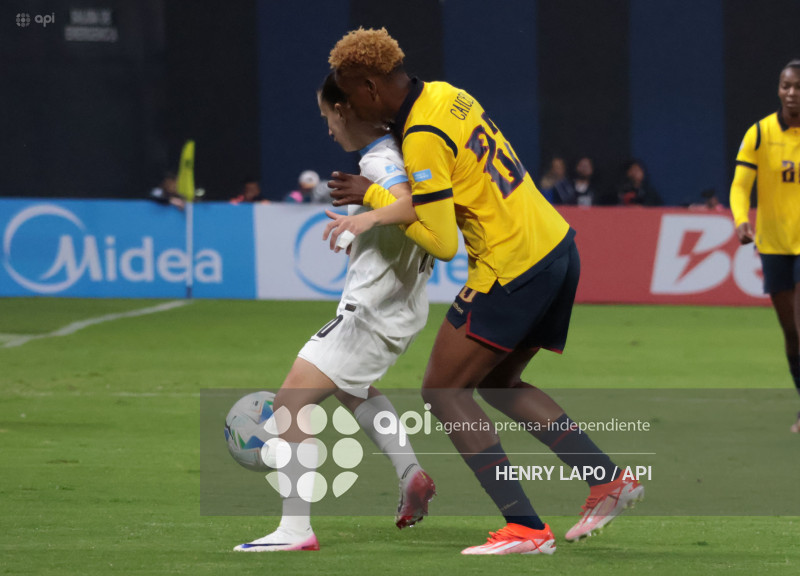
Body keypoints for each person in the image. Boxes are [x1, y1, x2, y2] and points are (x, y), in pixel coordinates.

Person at [323, 28, 643, 556]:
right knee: (498, 382)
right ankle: (608, 480)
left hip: (512, 265)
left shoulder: (421, 133)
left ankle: (525, 527)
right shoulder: (449, 94)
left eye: (349, 94)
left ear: (371, 87)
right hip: (557, 247)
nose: (347, 106)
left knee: (442, 392)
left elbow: (443, 242)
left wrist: (373, 199)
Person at [234, 72, 436, 552]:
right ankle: (410, 473)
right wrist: (360, 231)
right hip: (400, 306)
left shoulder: (380, 159)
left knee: (289, 405)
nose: (328, 129)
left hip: (370, 311)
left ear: (346, 110)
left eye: (328, 117)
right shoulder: (405, 153)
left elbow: (411, 207)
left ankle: (295, 529)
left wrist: (365, 211)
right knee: (353, 390)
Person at [730, 59, 800, 433]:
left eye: (798, 87)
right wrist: (741, 219)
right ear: (778, 89)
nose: (792, 93)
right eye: (786, 86)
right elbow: (741, 185)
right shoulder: (759, 134)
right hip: (773, 244)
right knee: (791, 333)